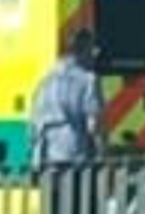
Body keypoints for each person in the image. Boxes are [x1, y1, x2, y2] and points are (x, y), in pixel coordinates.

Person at [29, 29, 104, 167]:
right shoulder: (87, 80)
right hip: (72, 156)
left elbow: (32, 124)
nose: (95, 55)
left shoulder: (45, 80)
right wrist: (102, 155)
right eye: (93, 50)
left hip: (43, 156)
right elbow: (94, 126)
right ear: (83, 51)